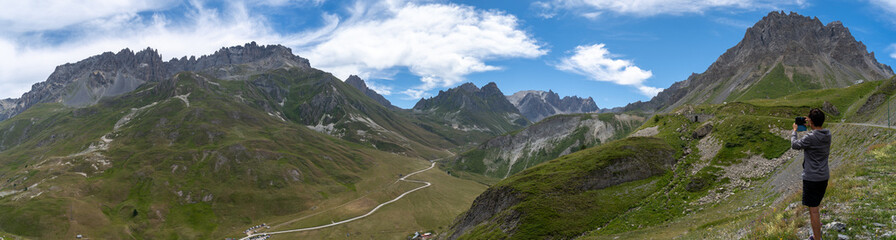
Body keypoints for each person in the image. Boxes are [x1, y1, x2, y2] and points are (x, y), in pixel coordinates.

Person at [791, 108, 832, 240]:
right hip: (823, 176)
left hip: (812, 178)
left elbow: (795, 145)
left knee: (813, 210)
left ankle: (816, 238)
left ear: (812, 121)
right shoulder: (827, 134)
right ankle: (816, 235)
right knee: (816, 206)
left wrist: (794, 131)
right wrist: (810, 121)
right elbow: (815, 134)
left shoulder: (810, 137)